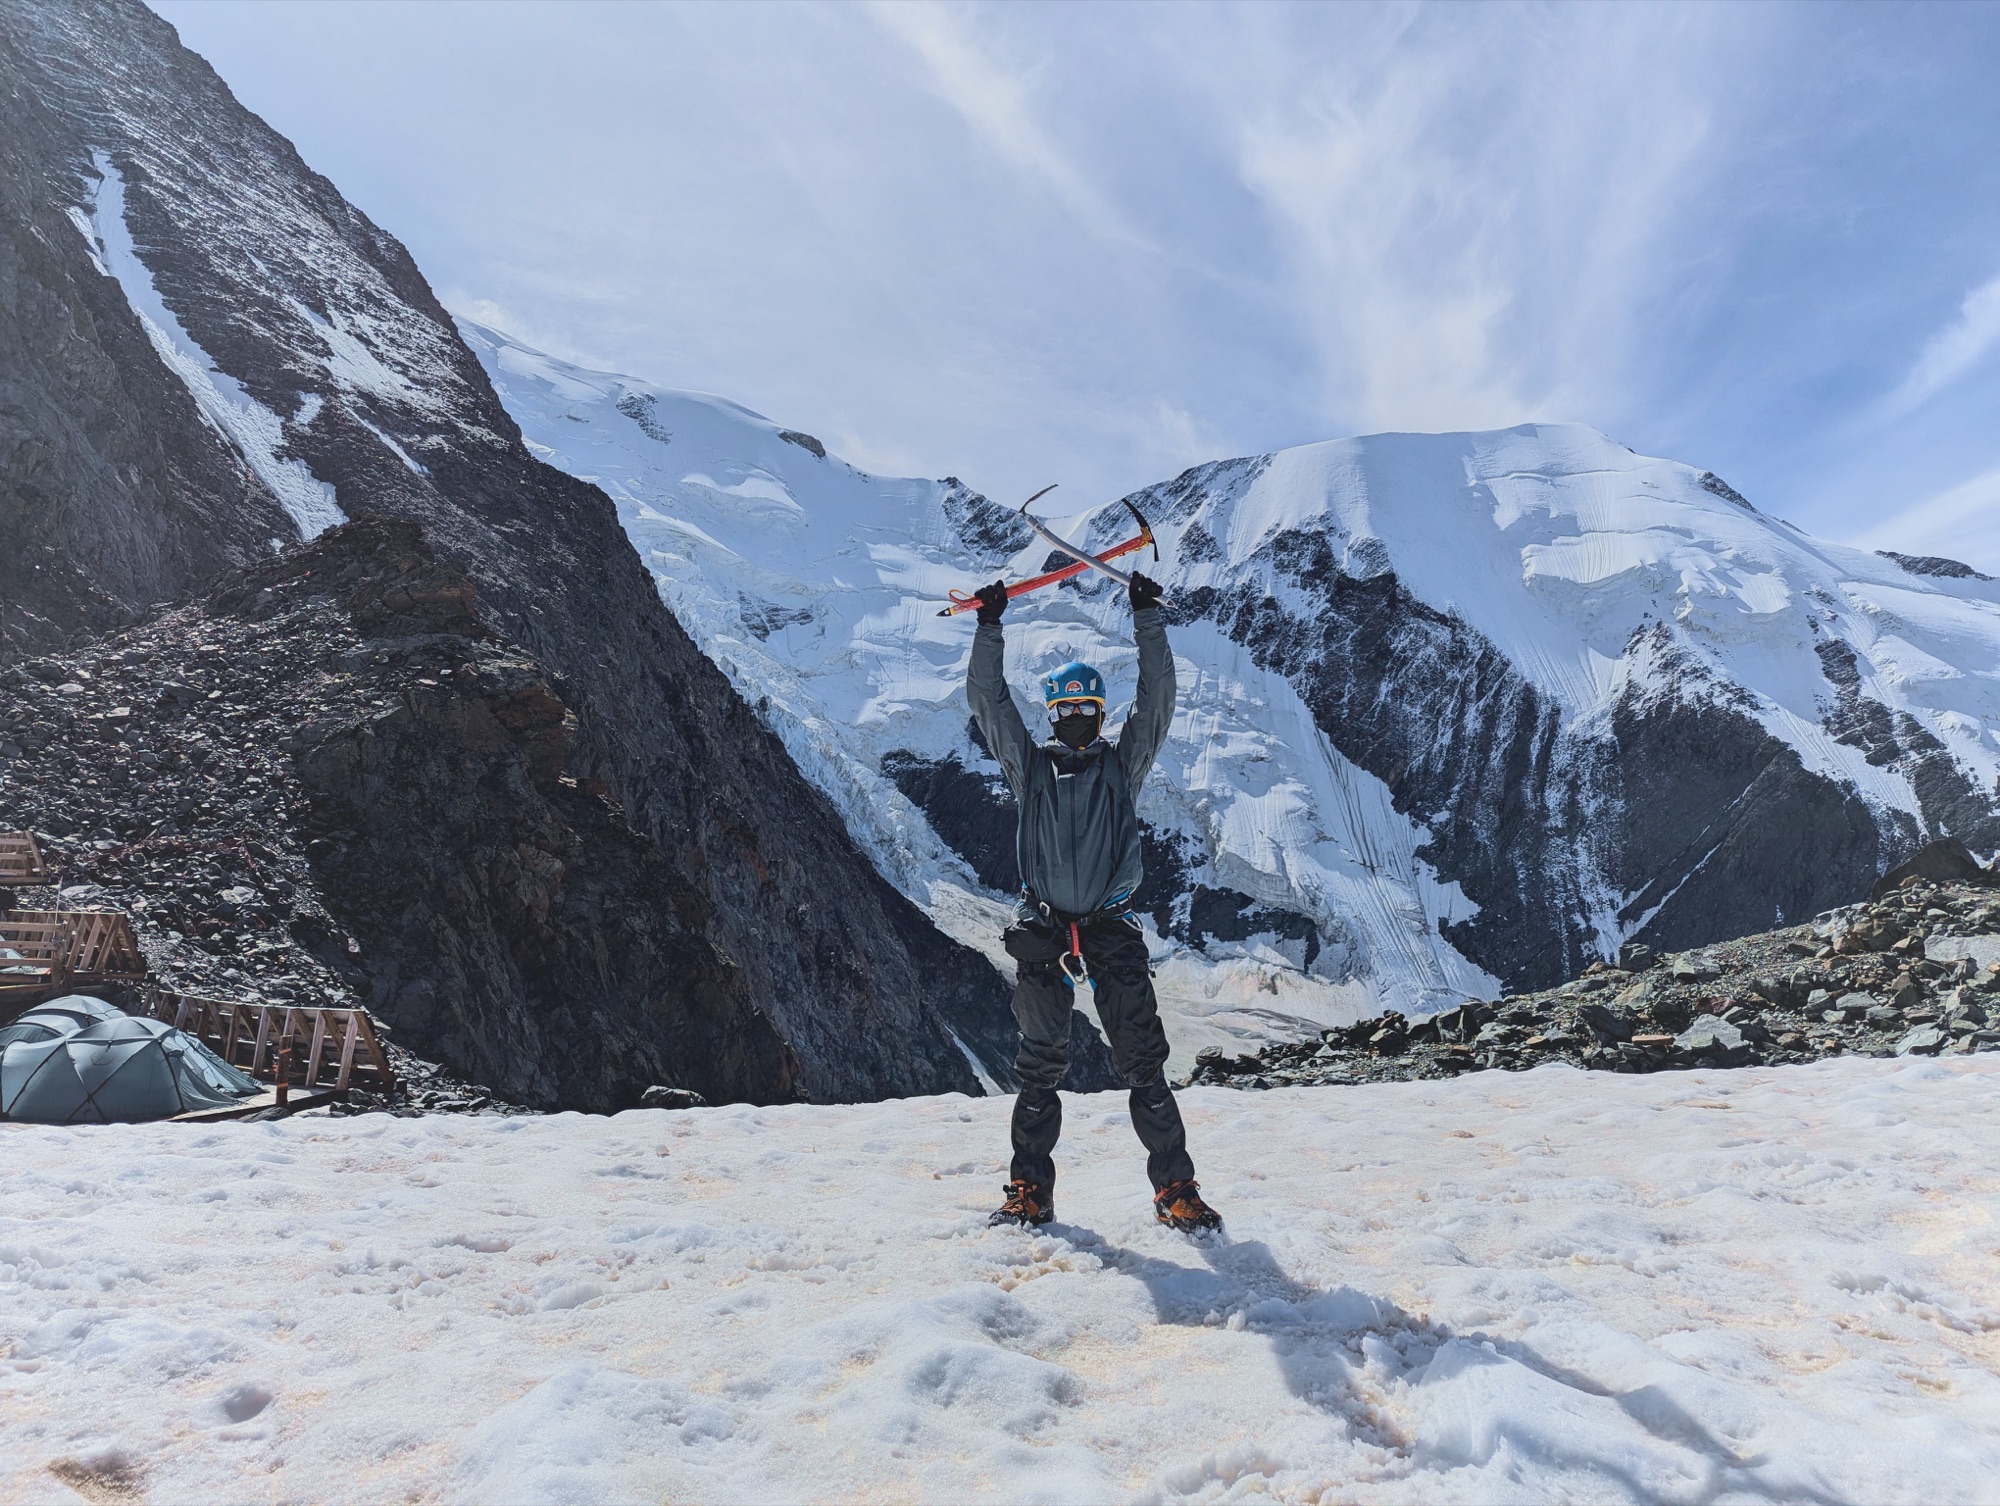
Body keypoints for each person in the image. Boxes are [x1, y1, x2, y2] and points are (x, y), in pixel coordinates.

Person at [965, 569, 1222, 1233]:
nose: (1077, 718)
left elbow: (1158, 699)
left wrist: (1148, 619)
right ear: (1053, 715)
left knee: (1143, 1066)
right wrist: (988, 626)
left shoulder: (1120, 765)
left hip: (1107, 927)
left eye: (1086, 710)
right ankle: (1029, 1192)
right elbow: (989, 703)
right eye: (1066, 710)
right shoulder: (1032, 769)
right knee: (1039, 1068)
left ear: (1100, 715)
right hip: (1046, 931)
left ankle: (1176, 1192)